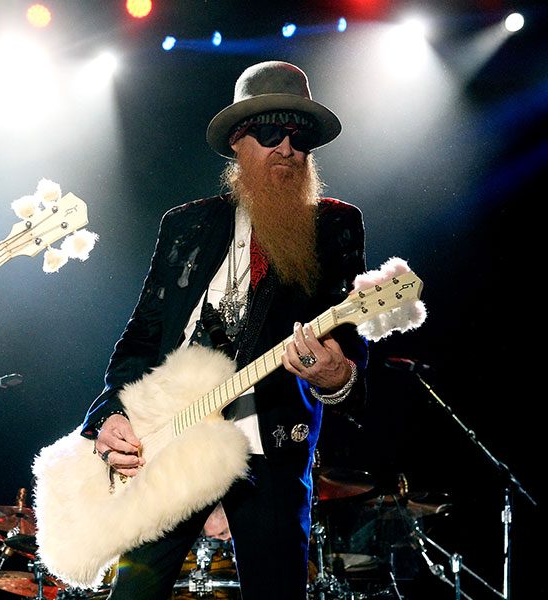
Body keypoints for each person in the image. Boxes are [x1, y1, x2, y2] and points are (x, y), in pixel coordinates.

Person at [81, 61, 368, 599]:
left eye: (299, 136)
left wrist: (337, 375)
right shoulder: (184, 226)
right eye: (269, 132)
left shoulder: (334, 226)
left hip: (269, 448)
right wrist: (112, 414)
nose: (287, 147)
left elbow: (348, 340)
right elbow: (142, 338)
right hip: (171, 443)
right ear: (239, 140)